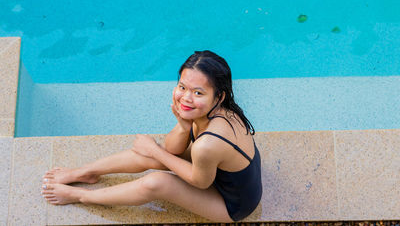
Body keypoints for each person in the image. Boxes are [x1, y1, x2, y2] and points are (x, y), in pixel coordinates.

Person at [41, 50, 262, 222]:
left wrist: (154, 150)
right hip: (218, 172)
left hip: (232, 204)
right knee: (151, 154)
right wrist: (184, 127)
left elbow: (201, 182)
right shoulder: (215, 111)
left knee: (157, 182)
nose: (186, 98)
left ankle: (80, 196)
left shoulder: (209, 144)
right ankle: (86, 173)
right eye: (182, 87)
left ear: (219, 96)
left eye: (198, 93)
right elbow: (173, 149)